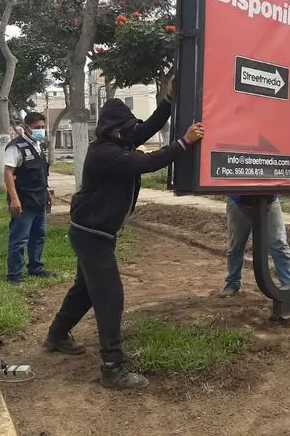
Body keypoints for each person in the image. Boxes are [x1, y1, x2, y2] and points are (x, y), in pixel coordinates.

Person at [43, 81, 205, 390]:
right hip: (92, 235)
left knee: (85, 290)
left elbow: (147, 128)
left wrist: (169, 100)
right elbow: (147, 162)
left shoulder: (118, 142)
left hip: (92, 233)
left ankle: (57, 335)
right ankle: (112, 367)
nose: (133, 132)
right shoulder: (105, 154)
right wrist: (184, 142)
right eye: (127, 127)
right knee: (110, 296)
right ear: (113, 129)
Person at [219, 195, 290, 305]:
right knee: (236, 246)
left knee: (279, 244)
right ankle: (232, 283)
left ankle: (289, 287)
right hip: (239, 202)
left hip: (269, 201)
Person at [3, 112, 53, 283]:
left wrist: (47, 193)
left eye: (43, 127)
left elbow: (41, 174)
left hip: (39, 199)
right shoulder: (15, 147)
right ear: (26, 128)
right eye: (37, 128)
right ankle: (14, 274)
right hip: (23, 201)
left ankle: (35, 267)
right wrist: (14, 199)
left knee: (38, 235)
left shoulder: (38, 147)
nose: (41, 130)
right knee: (19, 238)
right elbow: (8, 173)